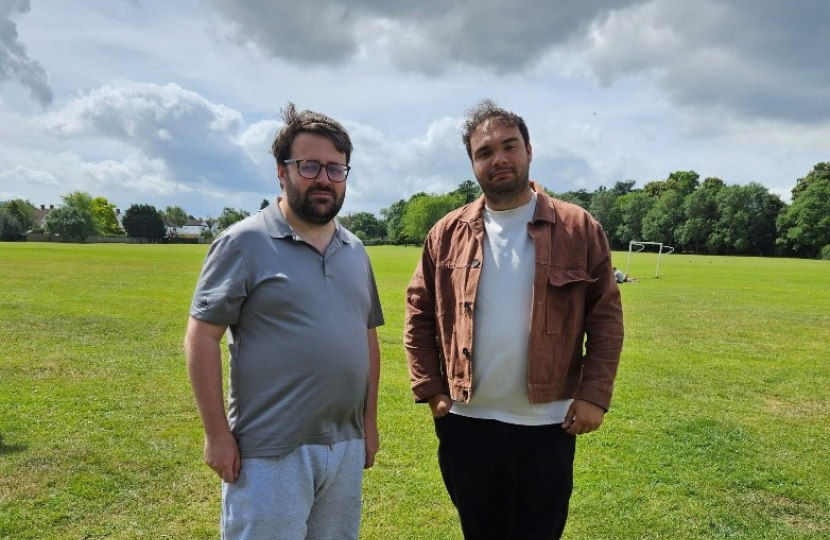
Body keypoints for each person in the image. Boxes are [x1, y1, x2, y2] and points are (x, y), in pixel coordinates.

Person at [404, 100, 624, 540]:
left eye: (509, 146)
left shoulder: (578, 227)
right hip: (466, 423)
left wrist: (594, 394)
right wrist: (432, 392)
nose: (498, 159)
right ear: (473, 164)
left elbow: (605, 319)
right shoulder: (446, 233)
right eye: (484, 152)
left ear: (528, 150)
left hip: (545, 426)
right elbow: (419, 313)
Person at [184, 103, 384, 540]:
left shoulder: (355, 250)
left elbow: (367, 339)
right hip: (269, 452)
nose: (323, 179)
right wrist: (216, 435)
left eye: (335, 169)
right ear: (282, 171)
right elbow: (202, 336)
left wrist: (367, 423)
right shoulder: (242, 242)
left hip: (345, 446)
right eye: (309, 166)